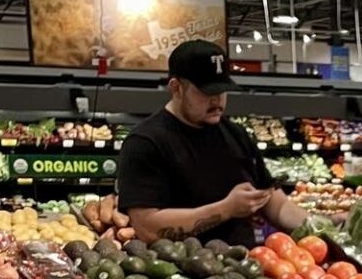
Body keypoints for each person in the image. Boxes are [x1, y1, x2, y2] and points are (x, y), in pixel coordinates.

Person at [116, 41, 312, 246]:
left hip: (245, 270)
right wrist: (226, 208)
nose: (217, 100)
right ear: (176, 88)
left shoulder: (235, 133)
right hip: (178, 273)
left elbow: (275, 203)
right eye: (206, 92)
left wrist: (321, 227)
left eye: (222, 90)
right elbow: (147, 227)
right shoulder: (146, 142)